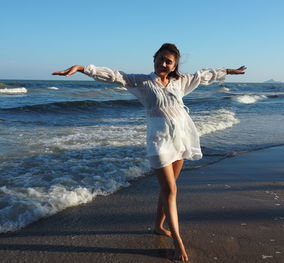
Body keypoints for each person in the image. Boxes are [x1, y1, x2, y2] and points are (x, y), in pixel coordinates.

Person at [52, 43, 246, 262]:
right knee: (170, 189)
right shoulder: (142, 81)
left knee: (168, 188)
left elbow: (204, 76)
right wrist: (82, 68)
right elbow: (115, 76)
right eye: (160, 58)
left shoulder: (180, 82)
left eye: (168, 61)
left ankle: (158, 226)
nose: (163, 63)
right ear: (154, 58)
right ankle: (178, 241)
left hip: (181, 139)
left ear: (174, 66)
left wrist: (228, 71)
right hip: (159, 142)